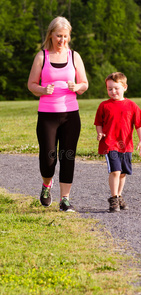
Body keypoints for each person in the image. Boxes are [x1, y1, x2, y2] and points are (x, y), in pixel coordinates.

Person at [28, 16, 88, 212]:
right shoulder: (42, 57)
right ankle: (47, 185)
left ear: (69, 36)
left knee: (68, 156)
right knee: (48, 158)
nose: (62, 40)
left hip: (71, 114)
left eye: (65, 36)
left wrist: (77, 86)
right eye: (58, 36)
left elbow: (84, 84)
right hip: (47, 115)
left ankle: (65, 200)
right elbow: (31, 85)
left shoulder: (74, 57)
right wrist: (43, 90)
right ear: (51, 35)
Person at [94, 72, 141, 212]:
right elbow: (98, 122)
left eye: (116, 88)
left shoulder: (132, 105)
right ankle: (113, 199)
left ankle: (119, 195)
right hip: (110, 144)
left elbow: (139, 125)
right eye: (109, 89)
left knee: (123, 173)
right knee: (115, 171)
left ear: (125, 87)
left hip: (126, 145)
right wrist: (99, 132)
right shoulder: (104, 106)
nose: (113, 91)